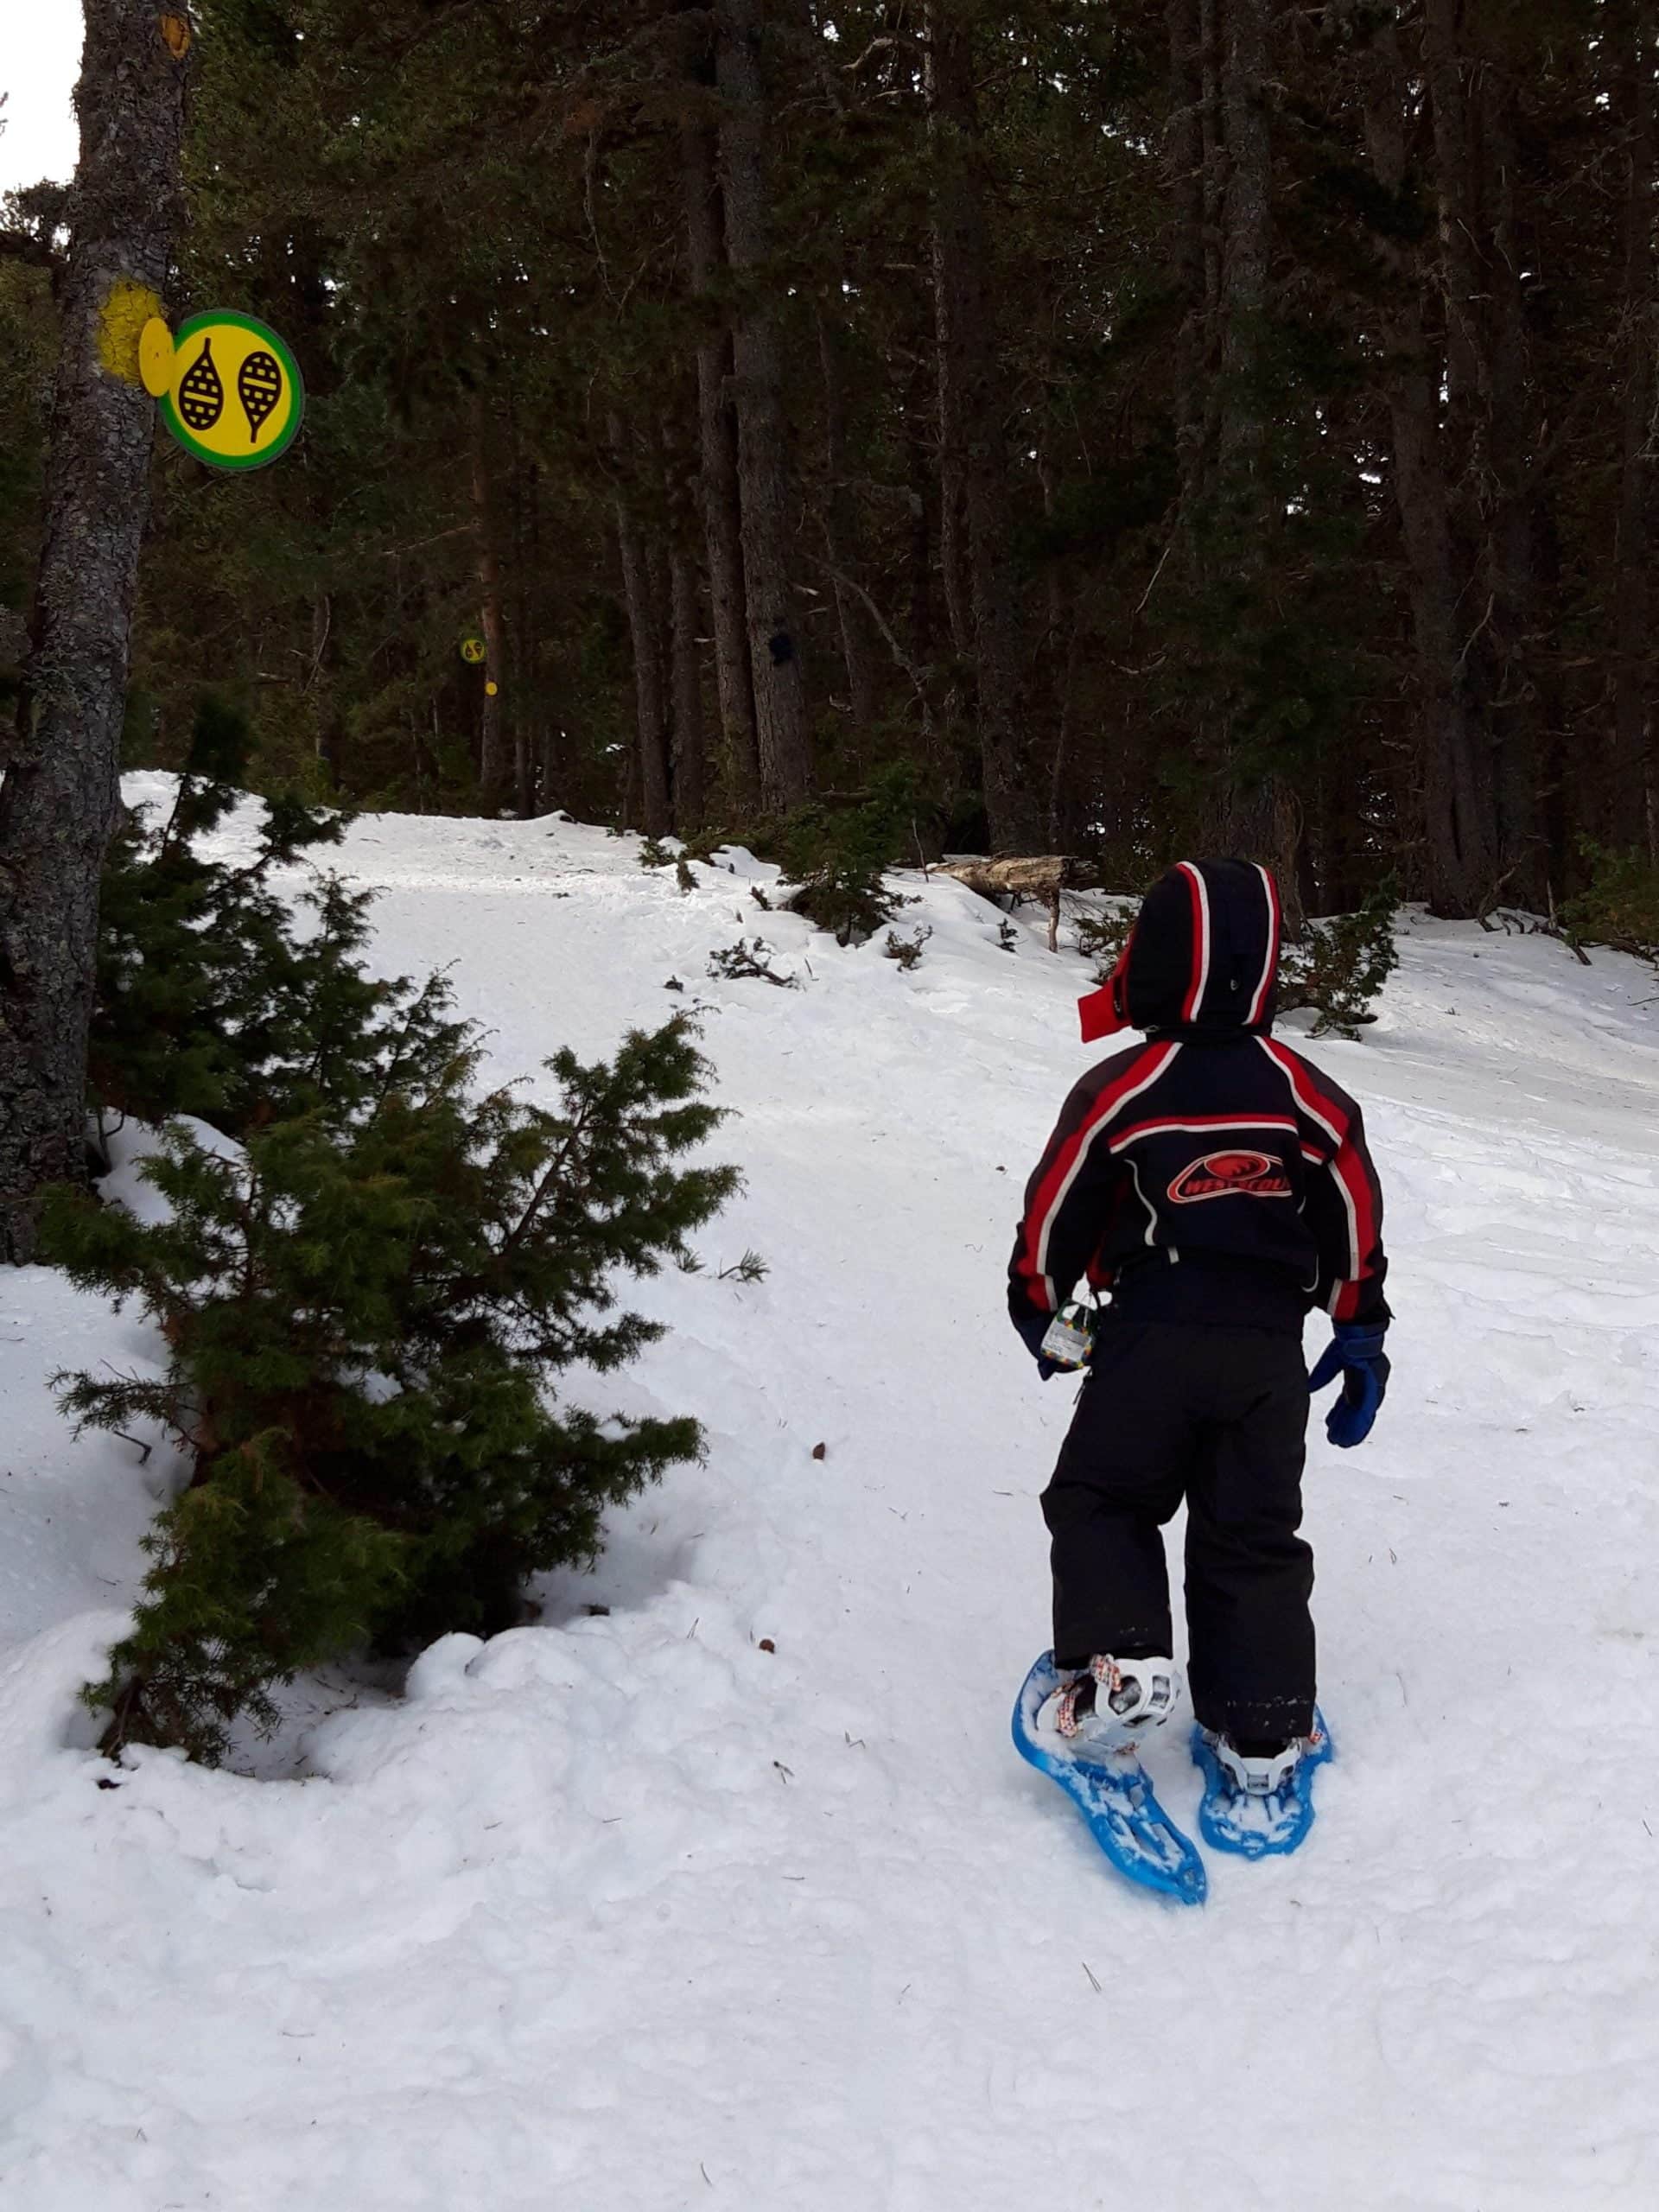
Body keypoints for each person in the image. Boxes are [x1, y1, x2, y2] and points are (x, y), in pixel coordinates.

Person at [1007, 857, 1389, 1802]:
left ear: (1159, 959)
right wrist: (1359, 1331)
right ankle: (1260, 1726)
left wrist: (1041, 1310)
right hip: (1266, 1354)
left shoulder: (1121, 1091)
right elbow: (1353, 1221)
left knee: (1104, 1498)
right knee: (1252, 1531)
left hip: (1149, 1337)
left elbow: (1053, 1214)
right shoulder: (1312, 1098)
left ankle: (1122, 1671)